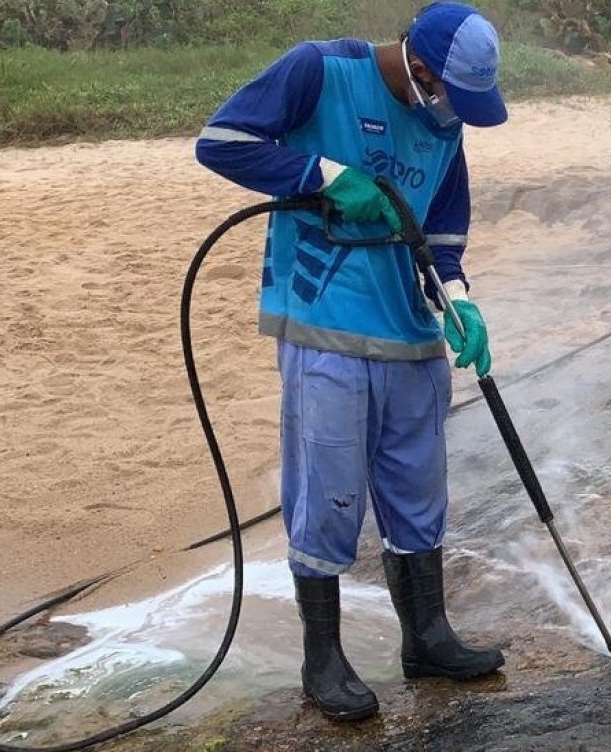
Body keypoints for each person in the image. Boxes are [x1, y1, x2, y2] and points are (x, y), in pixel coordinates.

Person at [194, 1, 506, 723]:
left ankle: (427, 638)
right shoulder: (319, 70)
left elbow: (444, 235)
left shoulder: (445, 123)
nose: (453, 116)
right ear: (420, 68)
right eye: (450, 99)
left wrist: (458, 299)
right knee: (329, 494)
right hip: (324, 324)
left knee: (418, 491)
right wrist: (325, 174)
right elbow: (220, 141)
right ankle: (323, 661)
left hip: (411, 334)